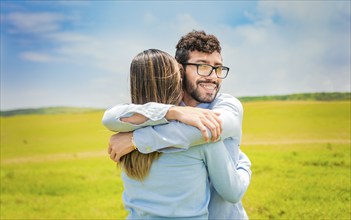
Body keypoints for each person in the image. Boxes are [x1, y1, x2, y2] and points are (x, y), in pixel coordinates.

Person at [103, 30, 251, 219]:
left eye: (218, 68)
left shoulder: (228, 106)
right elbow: (110, 117)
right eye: (203, 66)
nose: (213, 76)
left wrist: (134, 139)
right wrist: (174, 112)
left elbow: (201, 131)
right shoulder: (163, 112)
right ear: (180, 70)